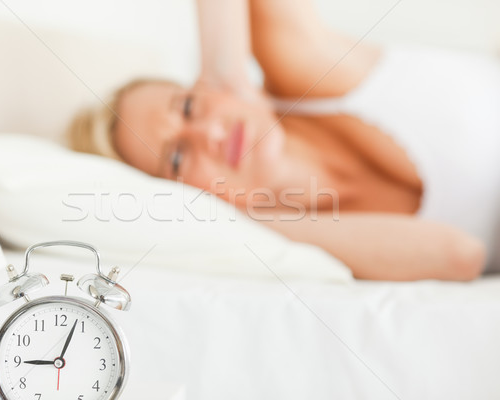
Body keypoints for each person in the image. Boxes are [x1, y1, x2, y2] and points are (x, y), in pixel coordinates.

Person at [67, 0, 500, 281]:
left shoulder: (297, 62)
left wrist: (226, 71)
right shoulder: (294, 234)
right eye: (177, 158)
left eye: (186, 108)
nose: (210, 134)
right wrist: (235, 215)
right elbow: (461, 255)